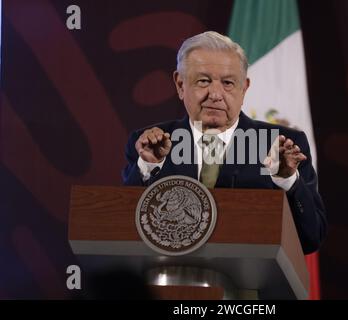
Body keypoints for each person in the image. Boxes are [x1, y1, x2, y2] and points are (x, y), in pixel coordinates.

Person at [122, 31, 326, 254]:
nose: (215, 94)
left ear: (244, 88)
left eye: (228, 83)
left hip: (250, 285)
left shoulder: (280, 145)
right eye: (203, 81)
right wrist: (148, 167)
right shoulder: (150, 145)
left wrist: (288, 181)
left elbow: (311, 238)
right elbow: (120, 230)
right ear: (181, 85)